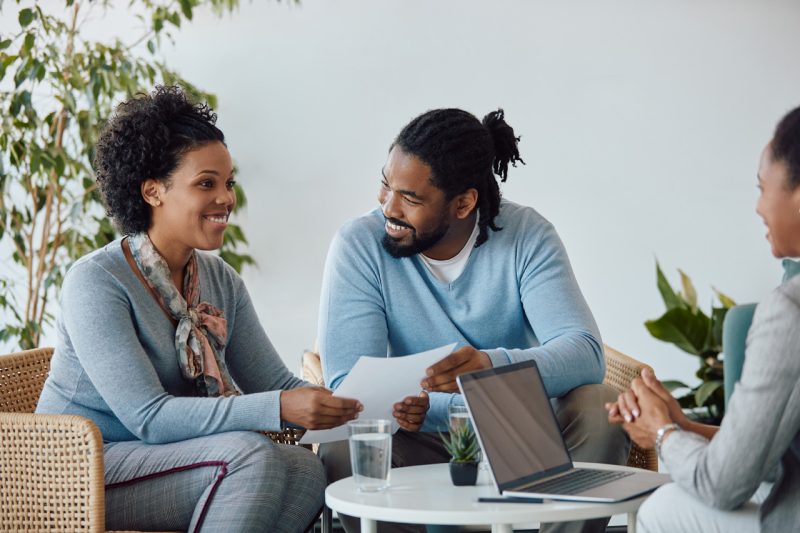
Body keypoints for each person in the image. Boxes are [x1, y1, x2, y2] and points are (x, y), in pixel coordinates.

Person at [35, 86, 364, 533]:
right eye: (206, 183)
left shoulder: (219, 278)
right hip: (76, 470)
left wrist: (361, 403)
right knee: (247, 456)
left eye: (228, 183)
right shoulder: (96, 282)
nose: (226, 198)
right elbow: (148, 417)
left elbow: (276, 385)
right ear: (153, 191)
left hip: (164, 460)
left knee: (303, 469)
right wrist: (281, 406)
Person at [317, 108, 629, 533]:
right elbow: (349, 390)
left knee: (600, 407)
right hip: (417, 432)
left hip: (516, 427)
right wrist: (436, 409)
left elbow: (585, 353)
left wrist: (488, 367)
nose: (387, 208)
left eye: (410, 198)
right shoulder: (359, 245)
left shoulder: (527, 235)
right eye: (386, 185)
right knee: (343, 449)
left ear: (464, 203)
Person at [606, 105, 800, 532]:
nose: (757, 207)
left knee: (663, 508)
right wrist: (683, 426)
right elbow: (766, 455)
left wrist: (661, 435)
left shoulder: (790, 313)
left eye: (762, 187)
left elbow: (723, 485)